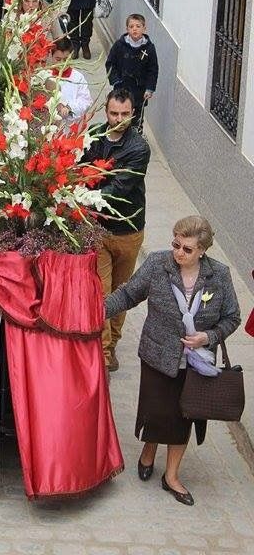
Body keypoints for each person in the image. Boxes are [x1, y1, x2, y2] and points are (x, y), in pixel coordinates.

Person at [104, 216, 240, 505]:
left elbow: (232, 317)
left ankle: (172, 476)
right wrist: (94, 310)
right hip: (157, 355)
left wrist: (209, 336)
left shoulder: (220, 275)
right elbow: (129, 294)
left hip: (197, 363)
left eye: (187, 249)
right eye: (176, 244)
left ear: (202, 250)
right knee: (157, 412)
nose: (179, 252)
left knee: (183, 416)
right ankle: (149, 449)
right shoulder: (157, 264)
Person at [85, 87, 151, 371]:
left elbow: (121, 187)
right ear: (106, 113)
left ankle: (111, 343)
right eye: (114, 113)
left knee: (121, 294)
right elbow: (79, 169)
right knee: (102, 292)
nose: (119, 119)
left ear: (133, 113)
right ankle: (103, 354)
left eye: (125, 114)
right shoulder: (94, 137)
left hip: (128, 232)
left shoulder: (138, 148)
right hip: (99, 229)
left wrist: (86, 193)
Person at [106, 14, 159, 130]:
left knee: (136, 116)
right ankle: (117, 134)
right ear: (127, 29)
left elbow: (153, 69)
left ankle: (136, 137)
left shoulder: (149, 48)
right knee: (120, 113)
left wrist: (149, 88)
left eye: (138, 26)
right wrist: (115, 80)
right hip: (122, 87)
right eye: (131, 26)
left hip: (139, 91)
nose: (134, 29)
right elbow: (110, 63)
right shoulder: (119, 46)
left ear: (144, 29)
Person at [47, 37, 92, 125]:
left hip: (71, 125)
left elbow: (86, 101)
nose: (62, 63)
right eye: (58, 59)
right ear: (51, 56)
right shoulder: (46, 76)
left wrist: (70, 107)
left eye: (66, 59)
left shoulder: (78, 78)